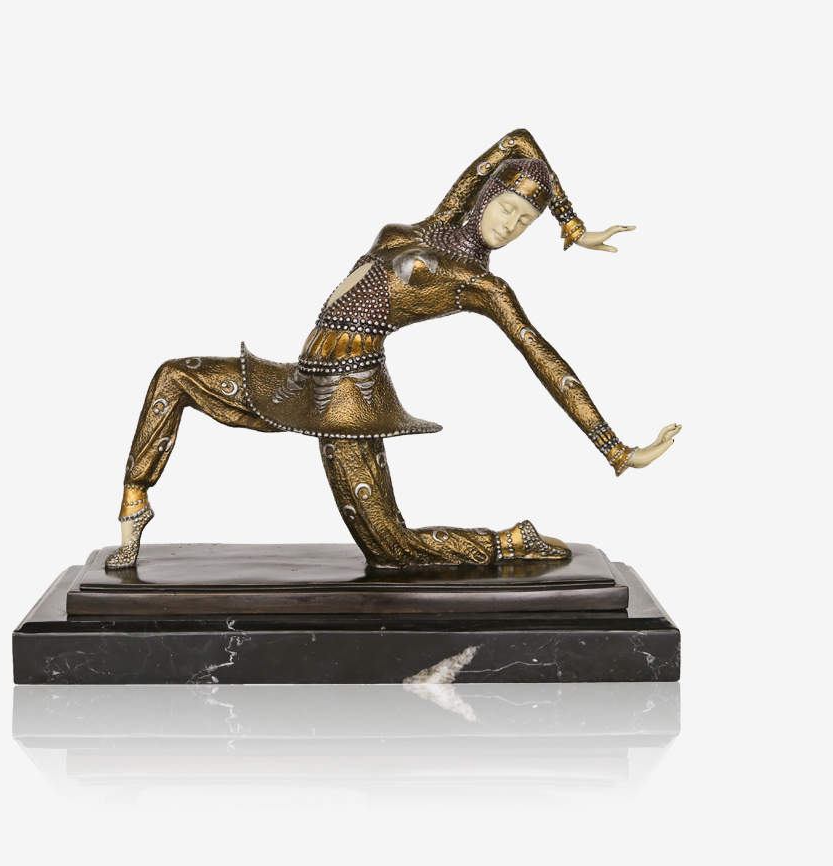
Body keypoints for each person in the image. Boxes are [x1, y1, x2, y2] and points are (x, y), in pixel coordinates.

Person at [109, 129, 680, 570]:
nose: (512, 225)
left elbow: (544, 359)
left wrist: (617, 451)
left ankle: (508, 542)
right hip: (297, 380)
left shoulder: (483, 286)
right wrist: (572, 225)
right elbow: (520, 141)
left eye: (527, 222)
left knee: (391, 549)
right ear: (486, 195)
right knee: (174, 377)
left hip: (348, 397)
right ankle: (135, 506)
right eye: (508, 207)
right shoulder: (437, 223)